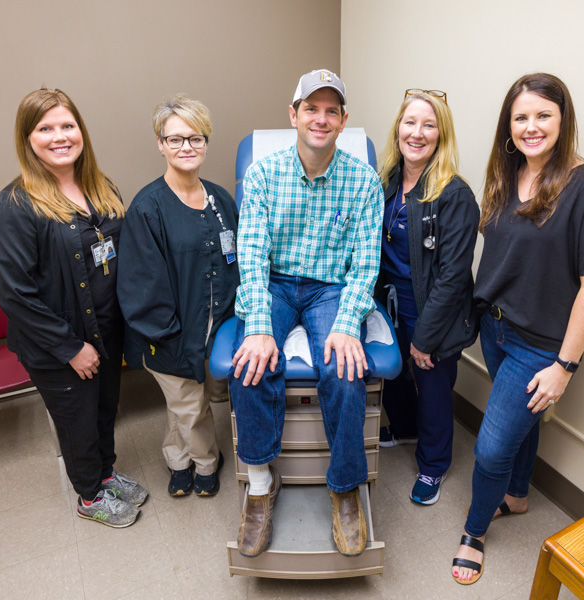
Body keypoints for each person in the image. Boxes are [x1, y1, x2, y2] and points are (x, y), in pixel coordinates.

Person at [452, 73, 584, 584]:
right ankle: (518, 494)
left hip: (542, 346)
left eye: (543, 116)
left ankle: (473, 533)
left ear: (563, 119)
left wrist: (564, 368)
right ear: (509, 127)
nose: (532, 127)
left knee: (490, 447)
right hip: (498, 330)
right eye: (521, 117)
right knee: (521, 428)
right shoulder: (508, 174)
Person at [231, 69, 384, 558]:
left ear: (343, 122)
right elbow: (252, 256)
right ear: (293, 115)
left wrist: (346, 324)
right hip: (275, 283)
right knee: (250, 365)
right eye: (311, 109)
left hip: (330, 289)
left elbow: (366, 264)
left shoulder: (363, 182)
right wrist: (257, 327)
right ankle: (260, 486)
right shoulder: (262, 175)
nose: (321, 118)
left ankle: (344, 490)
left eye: (332, 111)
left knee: (345, 369)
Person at [0, 88, 148, 528]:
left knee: (104, 410)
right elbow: (14, 294)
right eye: (45, 128)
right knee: (77, 421)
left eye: (67, 125)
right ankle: (90, 496)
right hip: (58, 346)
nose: (59, 136)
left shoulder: (100, 186)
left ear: (81, 132)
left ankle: (106, 474)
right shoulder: (14, 207)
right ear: (27, 139)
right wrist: (70, 347)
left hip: (107, 332)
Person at [118, 95, 239, 497]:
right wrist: (168, 336)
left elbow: (235, 262)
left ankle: (176, 457)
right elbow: (140, 284)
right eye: (175, 139)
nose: (186, 147)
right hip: (169, 335)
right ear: (160, 144)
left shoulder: (221, 200)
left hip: (216, 327)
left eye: (195, 138)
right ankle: (206, 464)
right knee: (192, 407)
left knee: (182, 406)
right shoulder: (147, 208)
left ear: (206, 142)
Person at [376, 89, 479, 505]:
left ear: (442, 135)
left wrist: (426, 336)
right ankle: (403, 428)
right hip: (390, 299)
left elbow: (454, 275)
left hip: (433, 307)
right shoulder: (387, 180)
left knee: (433, 387)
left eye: (428, 125)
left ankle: (433, 466)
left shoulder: (454, 195)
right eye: (409, 123)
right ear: (398, 129)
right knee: (396, 373)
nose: (417, 133)